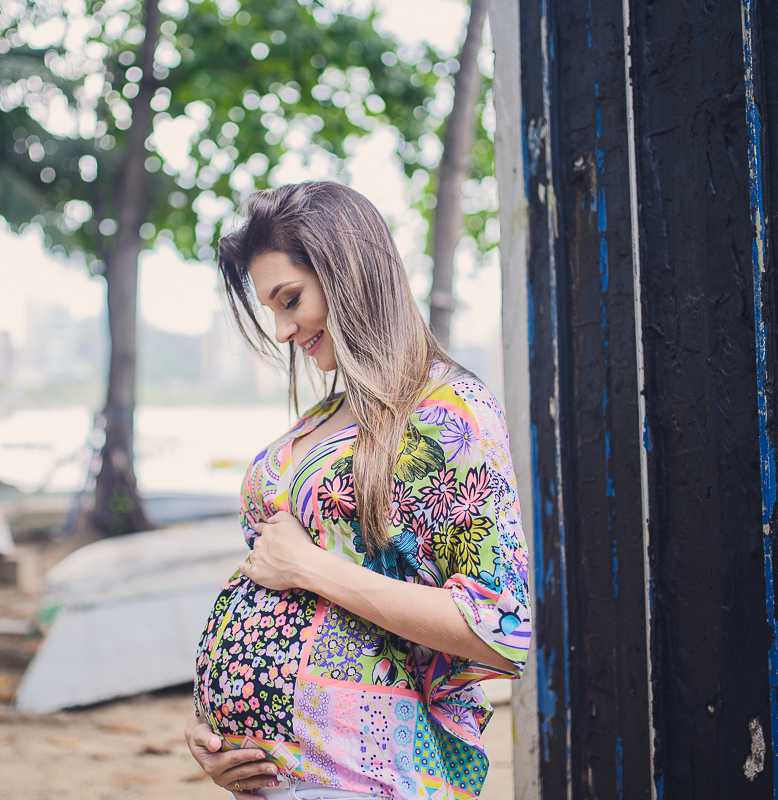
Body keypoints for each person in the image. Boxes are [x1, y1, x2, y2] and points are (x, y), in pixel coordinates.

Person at [184, 181, 531, 800]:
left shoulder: (446, 414)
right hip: (286, 780)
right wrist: (222, 735)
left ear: (347, 273)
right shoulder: (329, 416)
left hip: (372, 776)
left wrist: (310, 568)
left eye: (290, 299)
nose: (284, 329)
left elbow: (500, 629)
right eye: (272, 310)